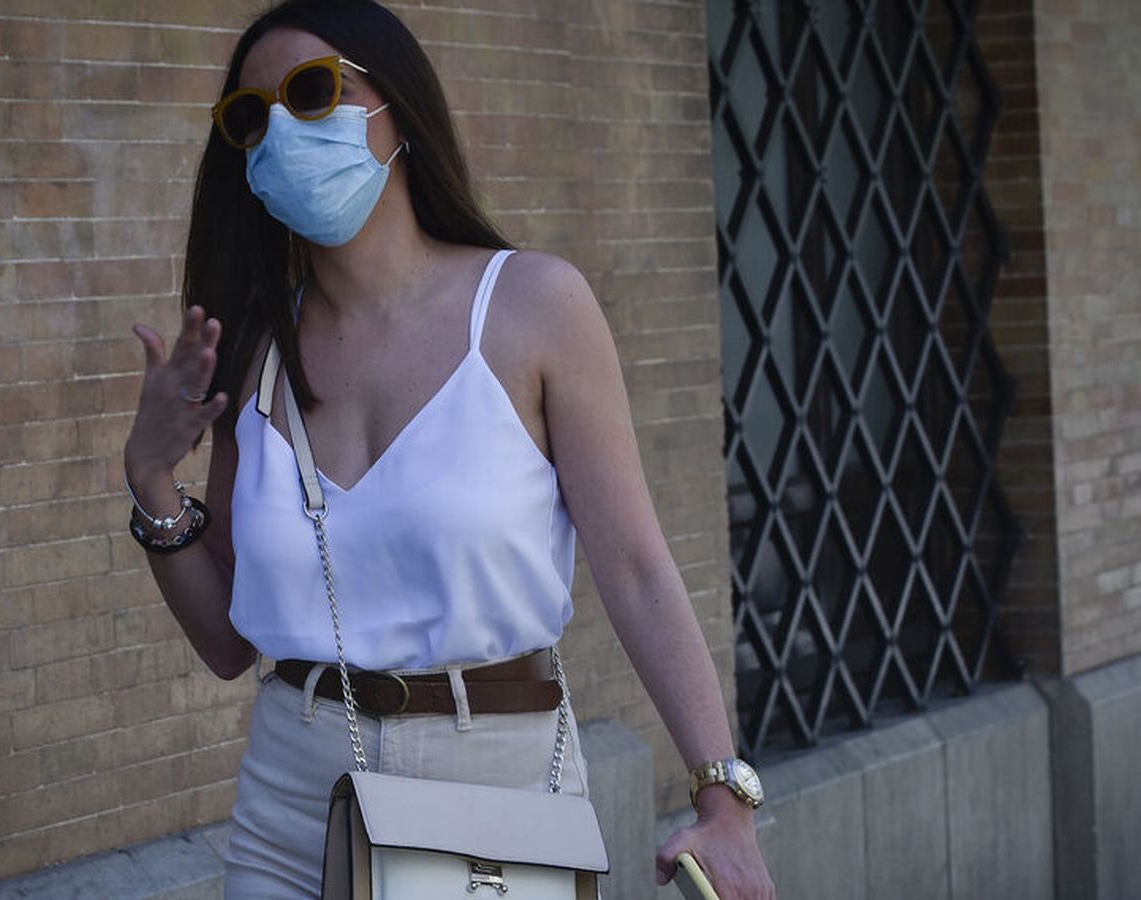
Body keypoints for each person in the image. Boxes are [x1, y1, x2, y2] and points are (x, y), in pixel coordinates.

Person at [121, 1, 775, 897]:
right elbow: (230, 643)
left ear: (398, 107)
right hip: (292, 805)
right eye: (250, 116)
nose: (279, 129)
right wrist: (151, 476)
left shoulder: (534, 306)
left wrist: (722, 795)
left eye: (313, 93)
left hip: (496, 789)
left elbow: (635, 567)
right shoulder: (255, 351)